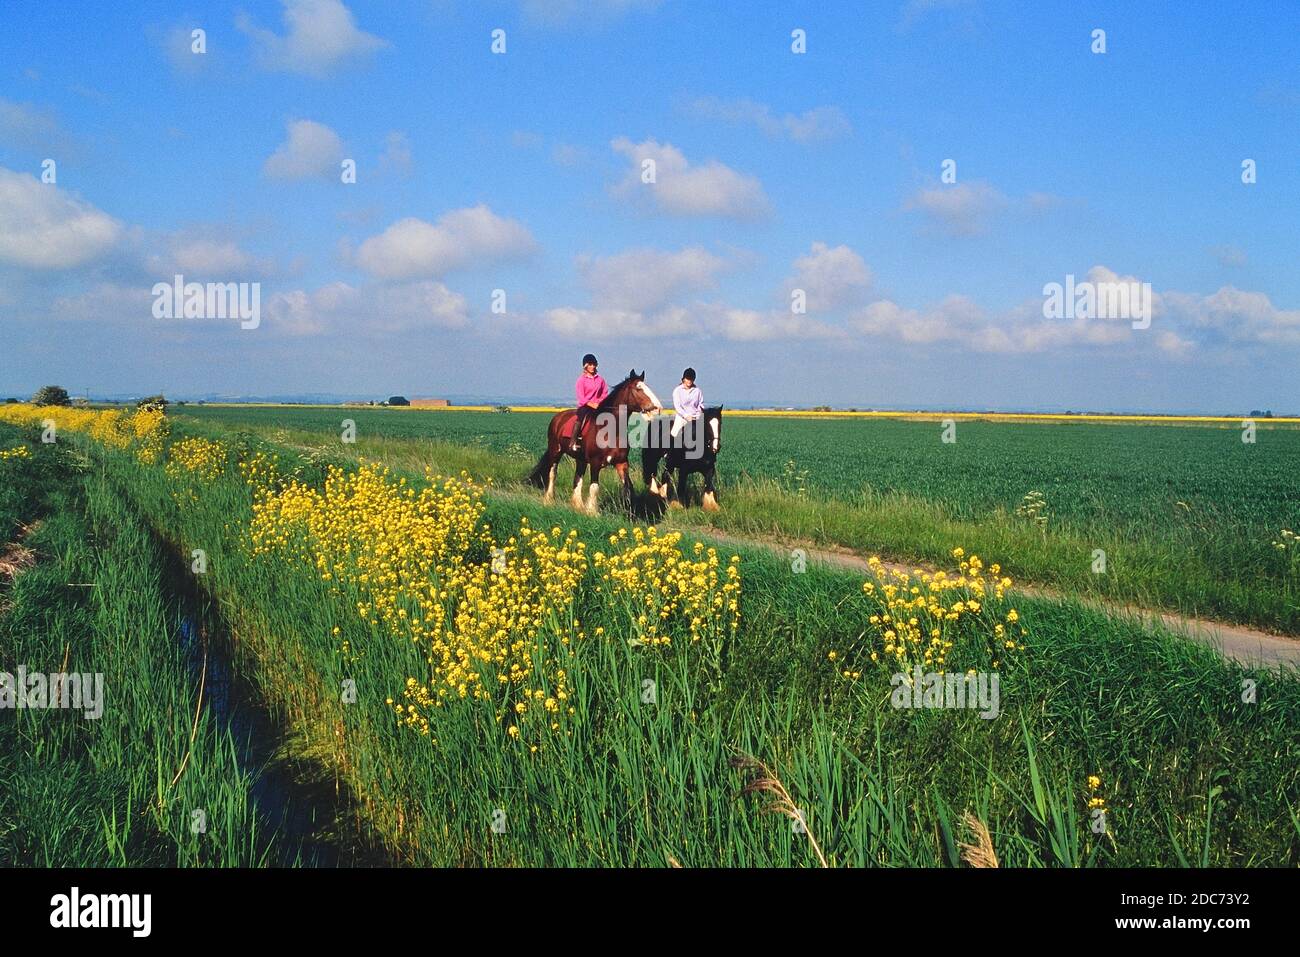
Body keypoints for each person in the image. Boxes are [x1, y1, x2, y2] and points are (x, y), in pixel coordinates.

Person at [572, 353, 608, 452]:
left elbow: (604, 393)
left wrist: (599, 402)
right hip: (585, 406)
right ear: (585, 366)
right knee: (581, 417)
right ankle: (574, 440)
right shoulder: (581, 380)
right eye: (590, 364)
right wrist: (590, 404)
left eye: (594, 364)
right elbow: (581, 397)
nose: (593, 366)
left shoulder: (600, 380)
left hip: (598, 405)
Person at [671, 367, 703, 443]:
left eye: (691, 379)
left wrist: (698, 416)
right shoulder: (677, 390)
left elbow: (700, 405)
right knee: (674, 433)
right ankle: (669, 453)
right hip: (682, 418)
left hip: (695, 418)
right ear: (684, 379)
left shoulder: (698, 391)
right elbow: (677, 406)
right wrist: (686, 416)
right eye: (688, 378)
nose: (689, 381)